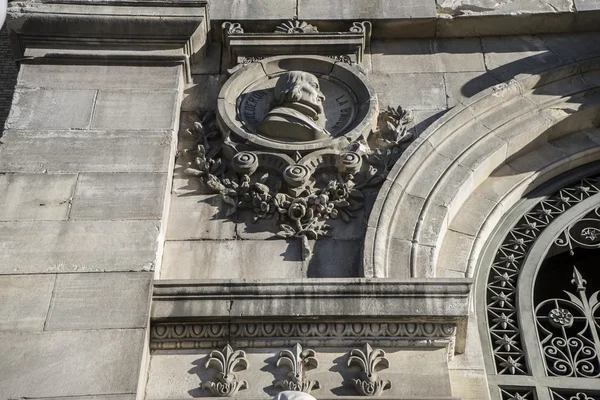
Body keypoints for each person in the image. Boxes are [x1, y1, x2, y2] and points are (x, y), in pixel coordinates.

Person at [259, 71, 330, 141]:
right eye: (314, 86)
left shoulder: (309, 119)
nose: (322, 96)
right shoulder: (277, 118)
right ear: (294, 87)